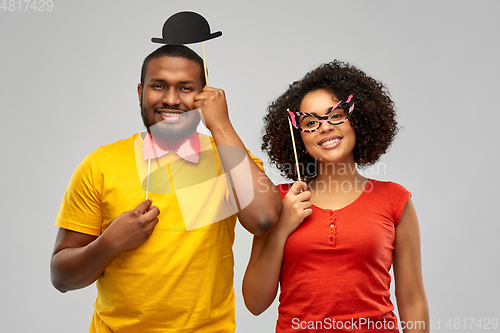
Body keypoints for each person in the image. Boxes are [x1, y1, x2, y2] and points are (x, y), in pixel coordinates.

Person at [50, 44, 281, 332]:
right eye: (159, 86)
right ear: (140, 93)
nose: (171, 99)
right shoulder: (99, 165)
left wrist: (220, 123)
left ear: (203, 96)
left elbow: (264, 218)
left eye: (185, 88)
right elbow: (61, 278)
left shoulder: (230, 160)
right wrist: (110, 244)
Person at [242, 60, 429, 332]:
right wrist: (283, 227)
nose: (325, 127)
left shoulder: (395, 200)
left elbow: (412, 301)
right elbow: (255, 303)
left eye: (336, 115)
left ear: (358, 120)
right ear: (298, 137)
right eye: (310, 122)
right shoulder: (278, 201)